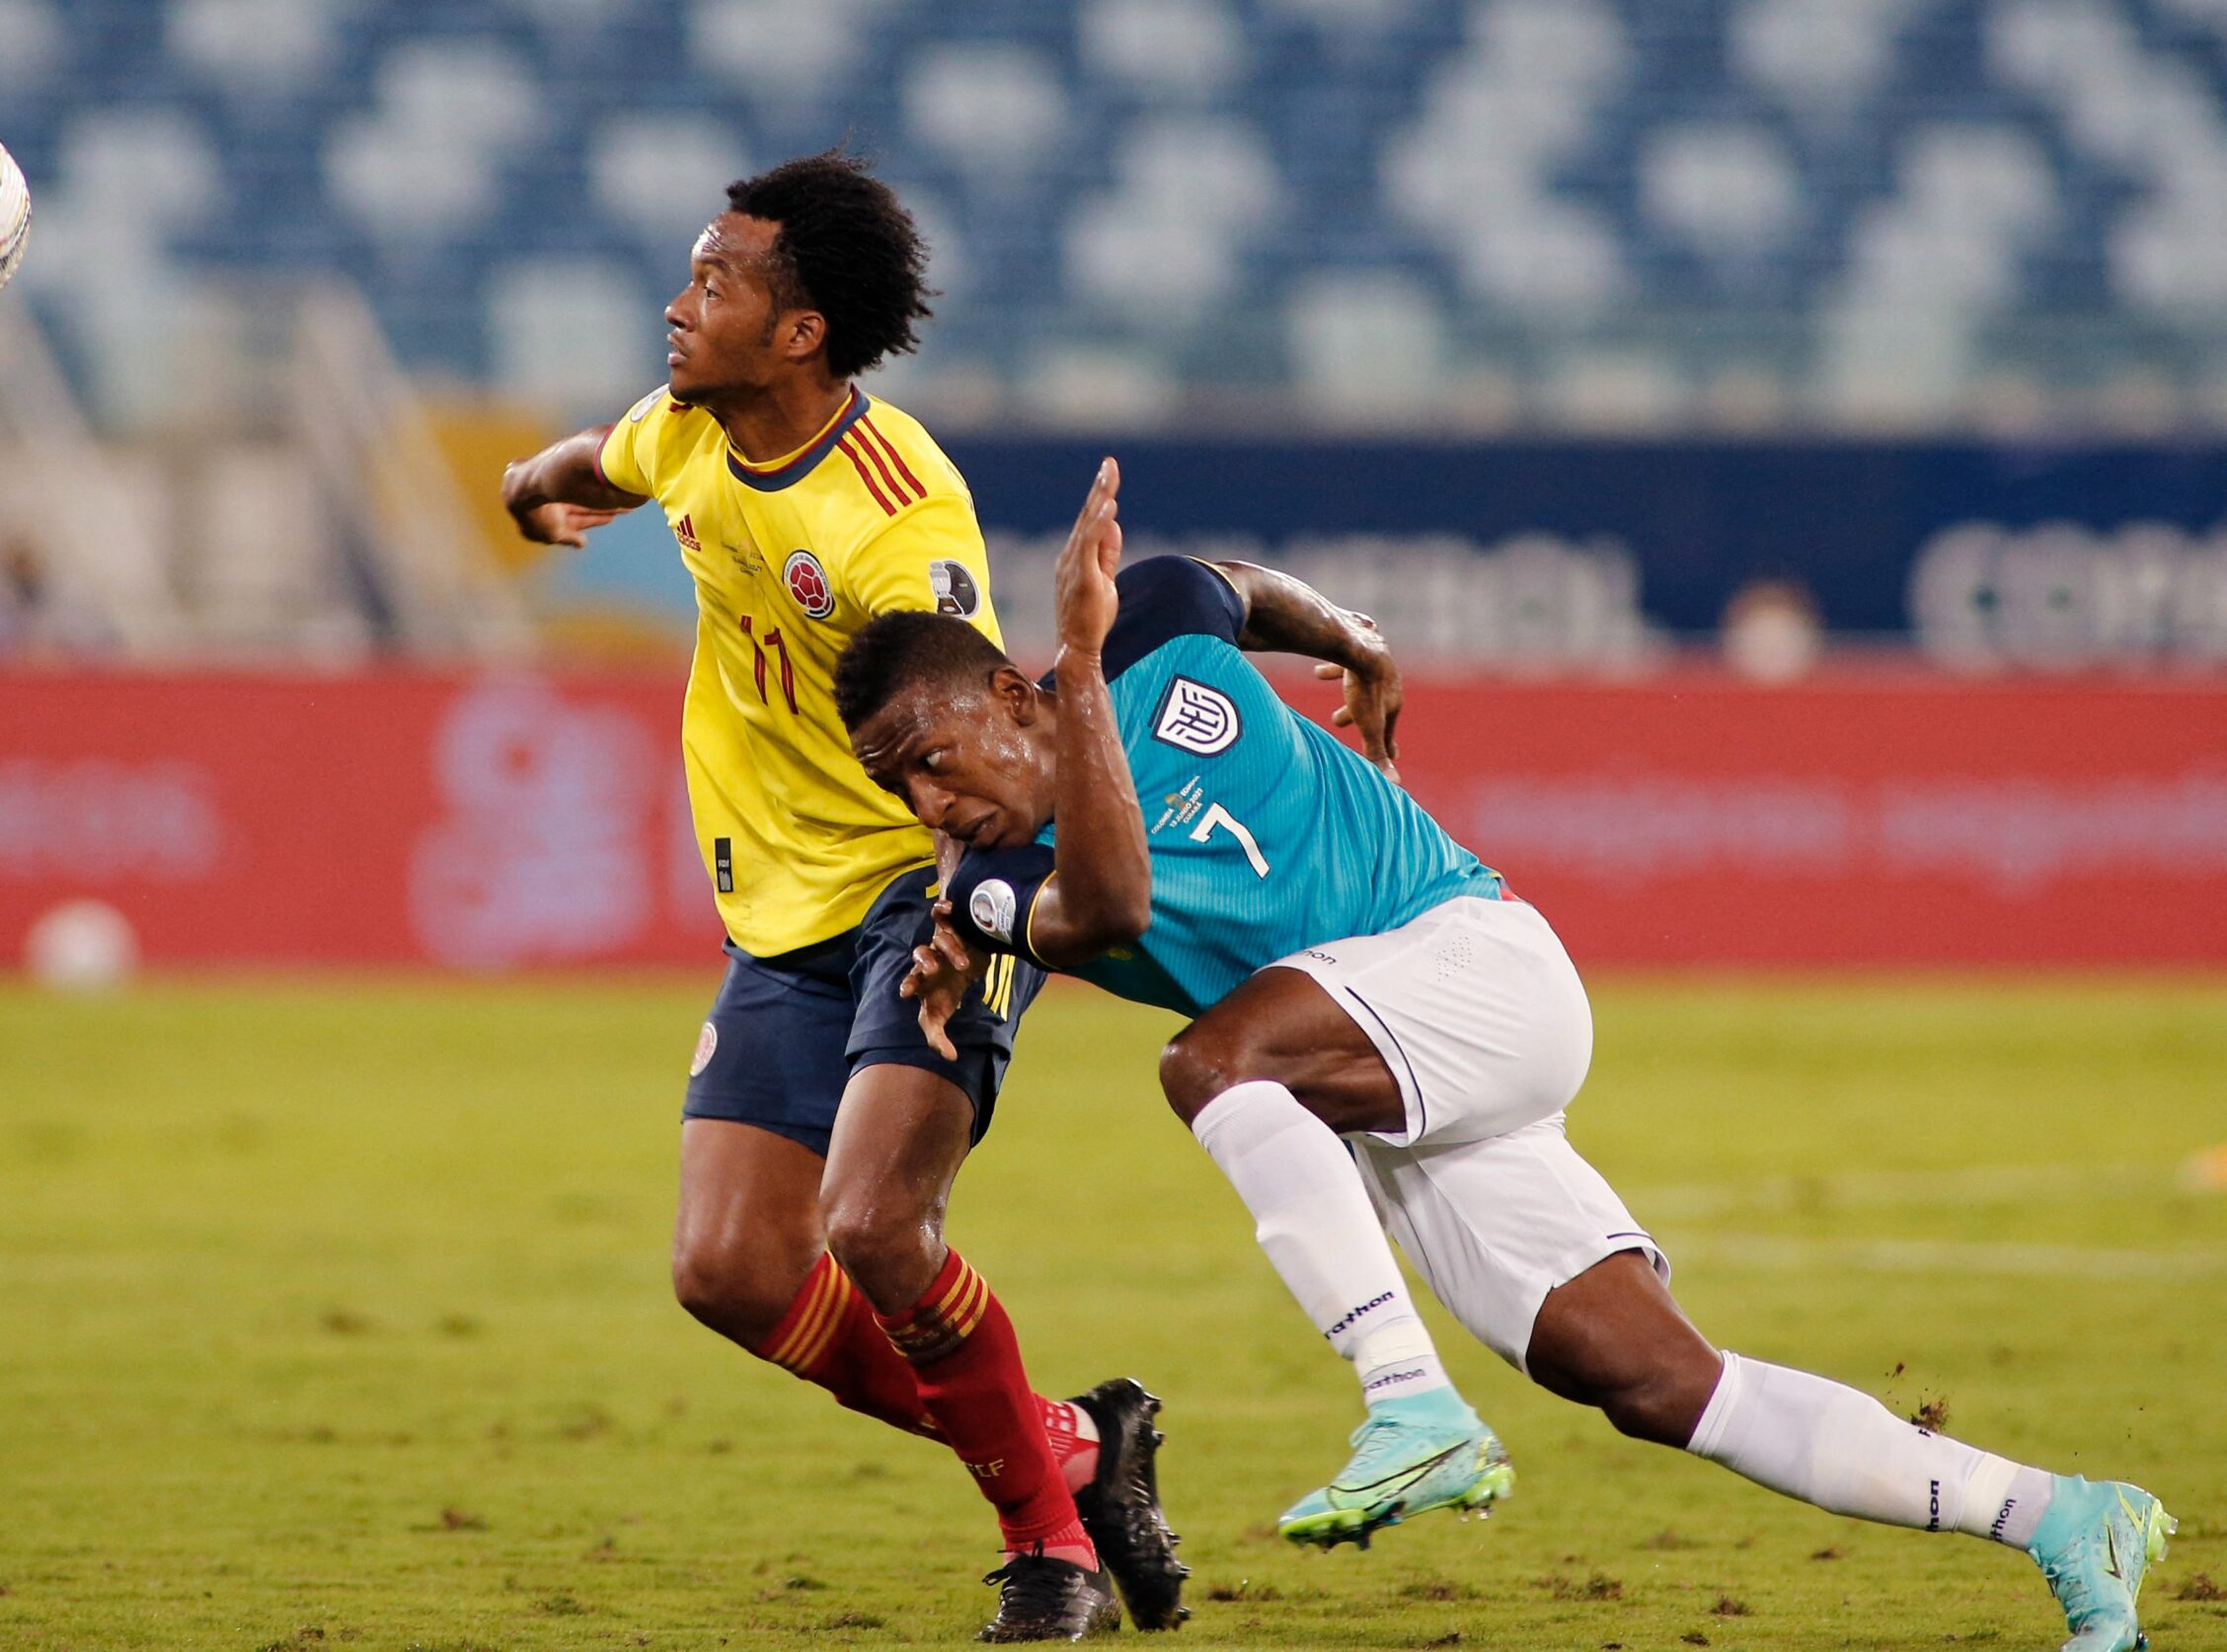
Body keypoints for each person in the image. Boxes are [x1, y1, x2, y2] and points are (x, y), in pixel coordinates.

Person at [834, 459, 2176, 1652]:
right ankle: (2064, 1516)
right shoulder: (991, 883)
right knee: (1650, 1378)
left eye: (933, 759)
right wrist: (1080, 674)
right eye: (901, 786)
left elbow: (1231, 586)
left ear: (1004, 694)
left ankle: (1409, 1403)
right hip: (1381, 1076)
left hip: (1472, 963)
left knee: (1209, 1064)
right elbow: (1112, 906)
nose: (931, 803)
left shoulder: (1148, 625)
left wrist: (1351, 637)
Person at [498, 156, 1181, 1640]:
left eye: (713, 283)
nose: (678, 305)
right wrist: (527, 490)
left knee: (873, 1224)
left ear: (798, 333)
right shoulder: (690, 429)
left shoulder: (894, 523)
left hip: (918, 891)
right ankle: (1075, 1444)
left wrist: (962, 918)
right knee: (730, 1269)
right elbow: (598, 461)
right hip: (779, 914)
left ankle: (1050, 1548)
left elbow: (985, 748)